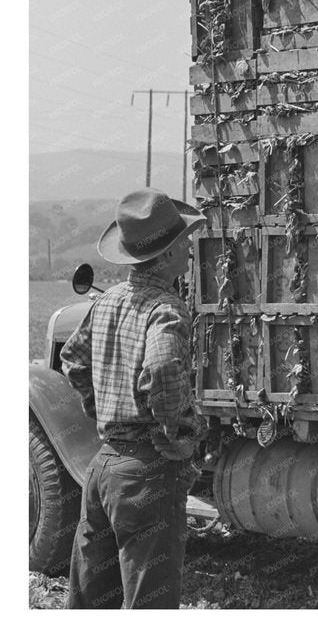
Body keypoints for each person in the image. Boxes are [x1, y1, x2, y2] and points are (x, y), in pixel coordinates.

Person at [60, 188, 208, 609]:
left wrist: (102, 408)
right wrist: (180, 434)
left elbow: (73, 360)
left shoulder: (106, 303)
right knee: (149, 603)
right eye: (184, 245)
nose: (190, 253)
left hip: (103, 467)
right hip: (146, 471)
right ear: (163, 257)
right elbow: (161, 370)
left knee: (92, 599)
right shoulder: (166, 308)